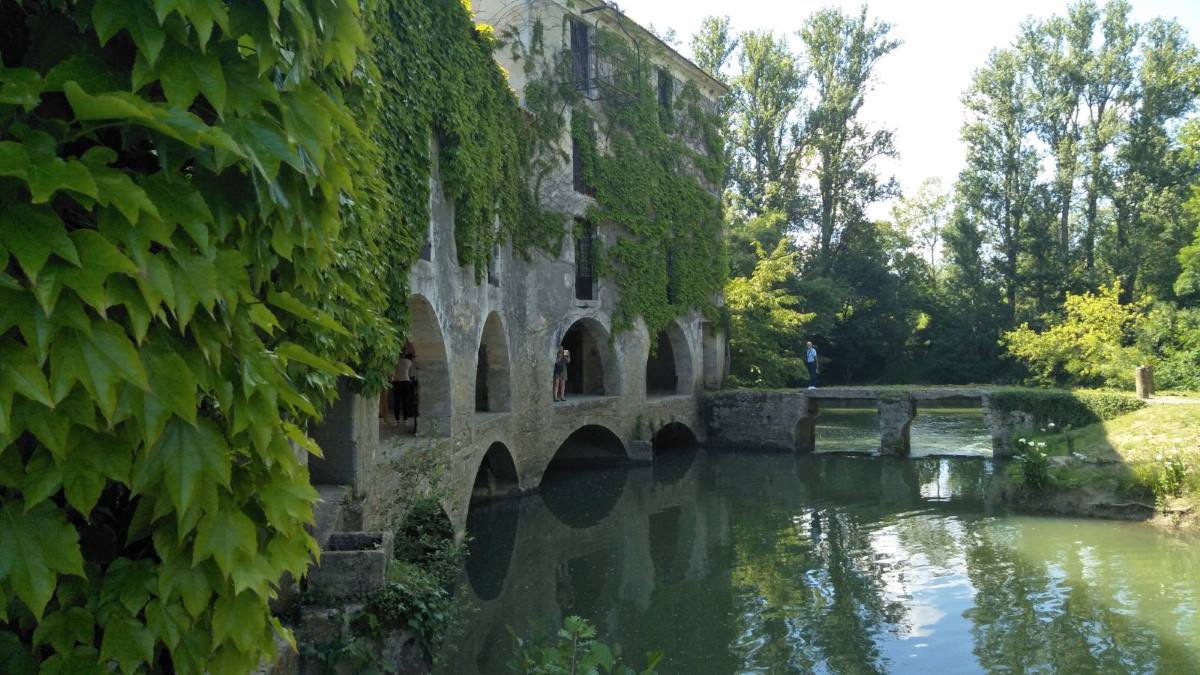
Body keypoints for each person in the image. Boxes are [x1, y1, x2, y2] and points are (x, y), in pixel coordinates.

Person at [392, 352, 415, 423]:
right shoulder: (408, 362)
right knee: (406, 401)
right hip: (405, 382)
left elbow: (392, 373)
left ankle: (397, 419)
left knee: (397, 402)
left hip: (396, 382)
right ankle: (405, 419)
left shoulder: (394, 361)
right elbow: (412, 373)